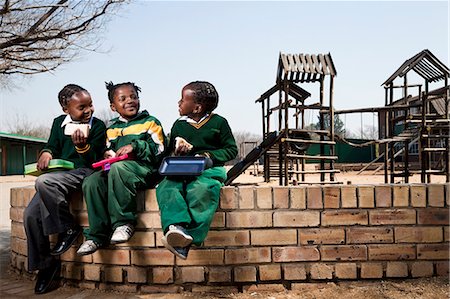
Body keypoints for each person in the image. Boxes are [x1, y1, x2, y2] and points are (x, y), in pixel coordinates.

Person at [23, 84, 106, 294]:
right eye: (81, 107)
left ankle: (68, 226)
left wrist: (82, 147)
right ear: (66, 109)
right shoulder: (58, 123)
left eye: (90, 105)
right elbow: (52, 145)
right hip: (60, 175)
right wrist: (47, 153)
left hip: (84, 172)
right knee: (30, 216)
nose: (88, 110)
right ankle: (47, 266)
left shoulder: (97, 126)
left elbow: (94, 160)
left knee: (44, 183)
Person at [77, 81, 166, 255]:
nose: (130, 101)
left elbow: (159, 150)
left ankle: (124, 223)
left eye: (133, 96)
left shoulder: (150, 122)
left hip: (145, 171)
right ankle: (97, 235)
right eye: (123, 98)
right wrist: (107, 155)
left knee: (119, 169)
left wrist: (135, 146)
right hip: (118, 170)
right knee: (92, 181)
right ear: (113, 106)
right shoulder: (112, 129)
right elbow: (107, 149)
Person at [156, 81, 237, 259]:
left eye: (183, 100)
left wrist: (208, 157)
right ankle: (175, 227)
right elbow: (168, 152)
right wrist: (177, 151)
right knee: (167, 187)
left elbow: (231, 149)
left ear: (197, 107)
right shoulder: (179, 125)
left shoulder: (219, 123)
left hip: (209, 169)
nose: (179, 103)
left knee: (202, 190)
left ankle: (190, 238)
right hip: (182, 168)